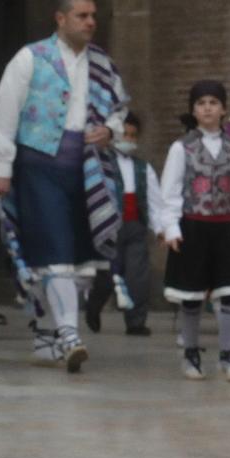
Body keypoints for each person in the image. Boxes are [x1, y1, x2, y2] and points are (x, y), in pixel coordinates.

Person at [0, 0, 132, 373]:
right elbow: (5, 113)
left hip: (87, 167)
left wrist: (111, 130)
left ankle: (48, 334)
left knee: (81, 258)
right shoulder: (30, 58)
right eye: (82, 16)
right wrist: (1, 165)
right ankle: (69, 334)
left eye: (93, 16)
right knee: (53, 252)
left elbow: (119, 108)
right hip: (40, 164)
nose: (90, 22)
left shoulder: (102, 64)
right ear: (61, 18)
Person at [159, 81, 230, 381]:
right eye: (201, 103)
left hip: (225, 227)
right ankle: (191, 352)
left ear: (224, 109)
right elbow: (171, 191)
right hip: (193, 227)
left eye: (213, 103)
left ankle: (228, 354)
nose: (207, 108)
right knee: (191, 295)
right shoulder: (182, 147)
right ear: (193, 109)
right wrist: (171, 227)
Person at [85, 110, 160, 337]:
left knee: (138, 275)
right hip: (110, 227)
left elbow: (154, 199)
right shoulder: (102, 163)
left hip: (135, 226)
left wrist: (161, 228)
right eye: (124, 134)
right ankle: (94, 307)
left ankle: (136, 321)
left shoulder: (143, 167)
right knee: (107, 276)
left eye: (132, 136)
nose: (128, 140)